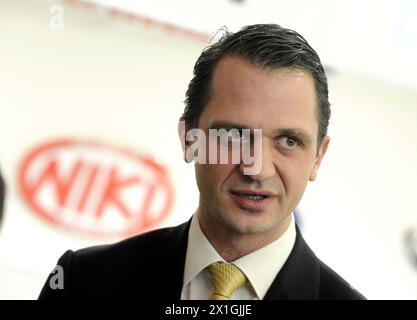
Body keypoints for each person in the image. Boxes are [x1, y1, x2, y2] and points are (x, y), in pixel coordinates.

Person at [39, 24, 364, 300]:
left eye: (288, 141)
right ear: (190, 138)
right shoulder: (80, 283)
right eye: (234, 136)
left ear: (318, 157)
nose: (256, 169)